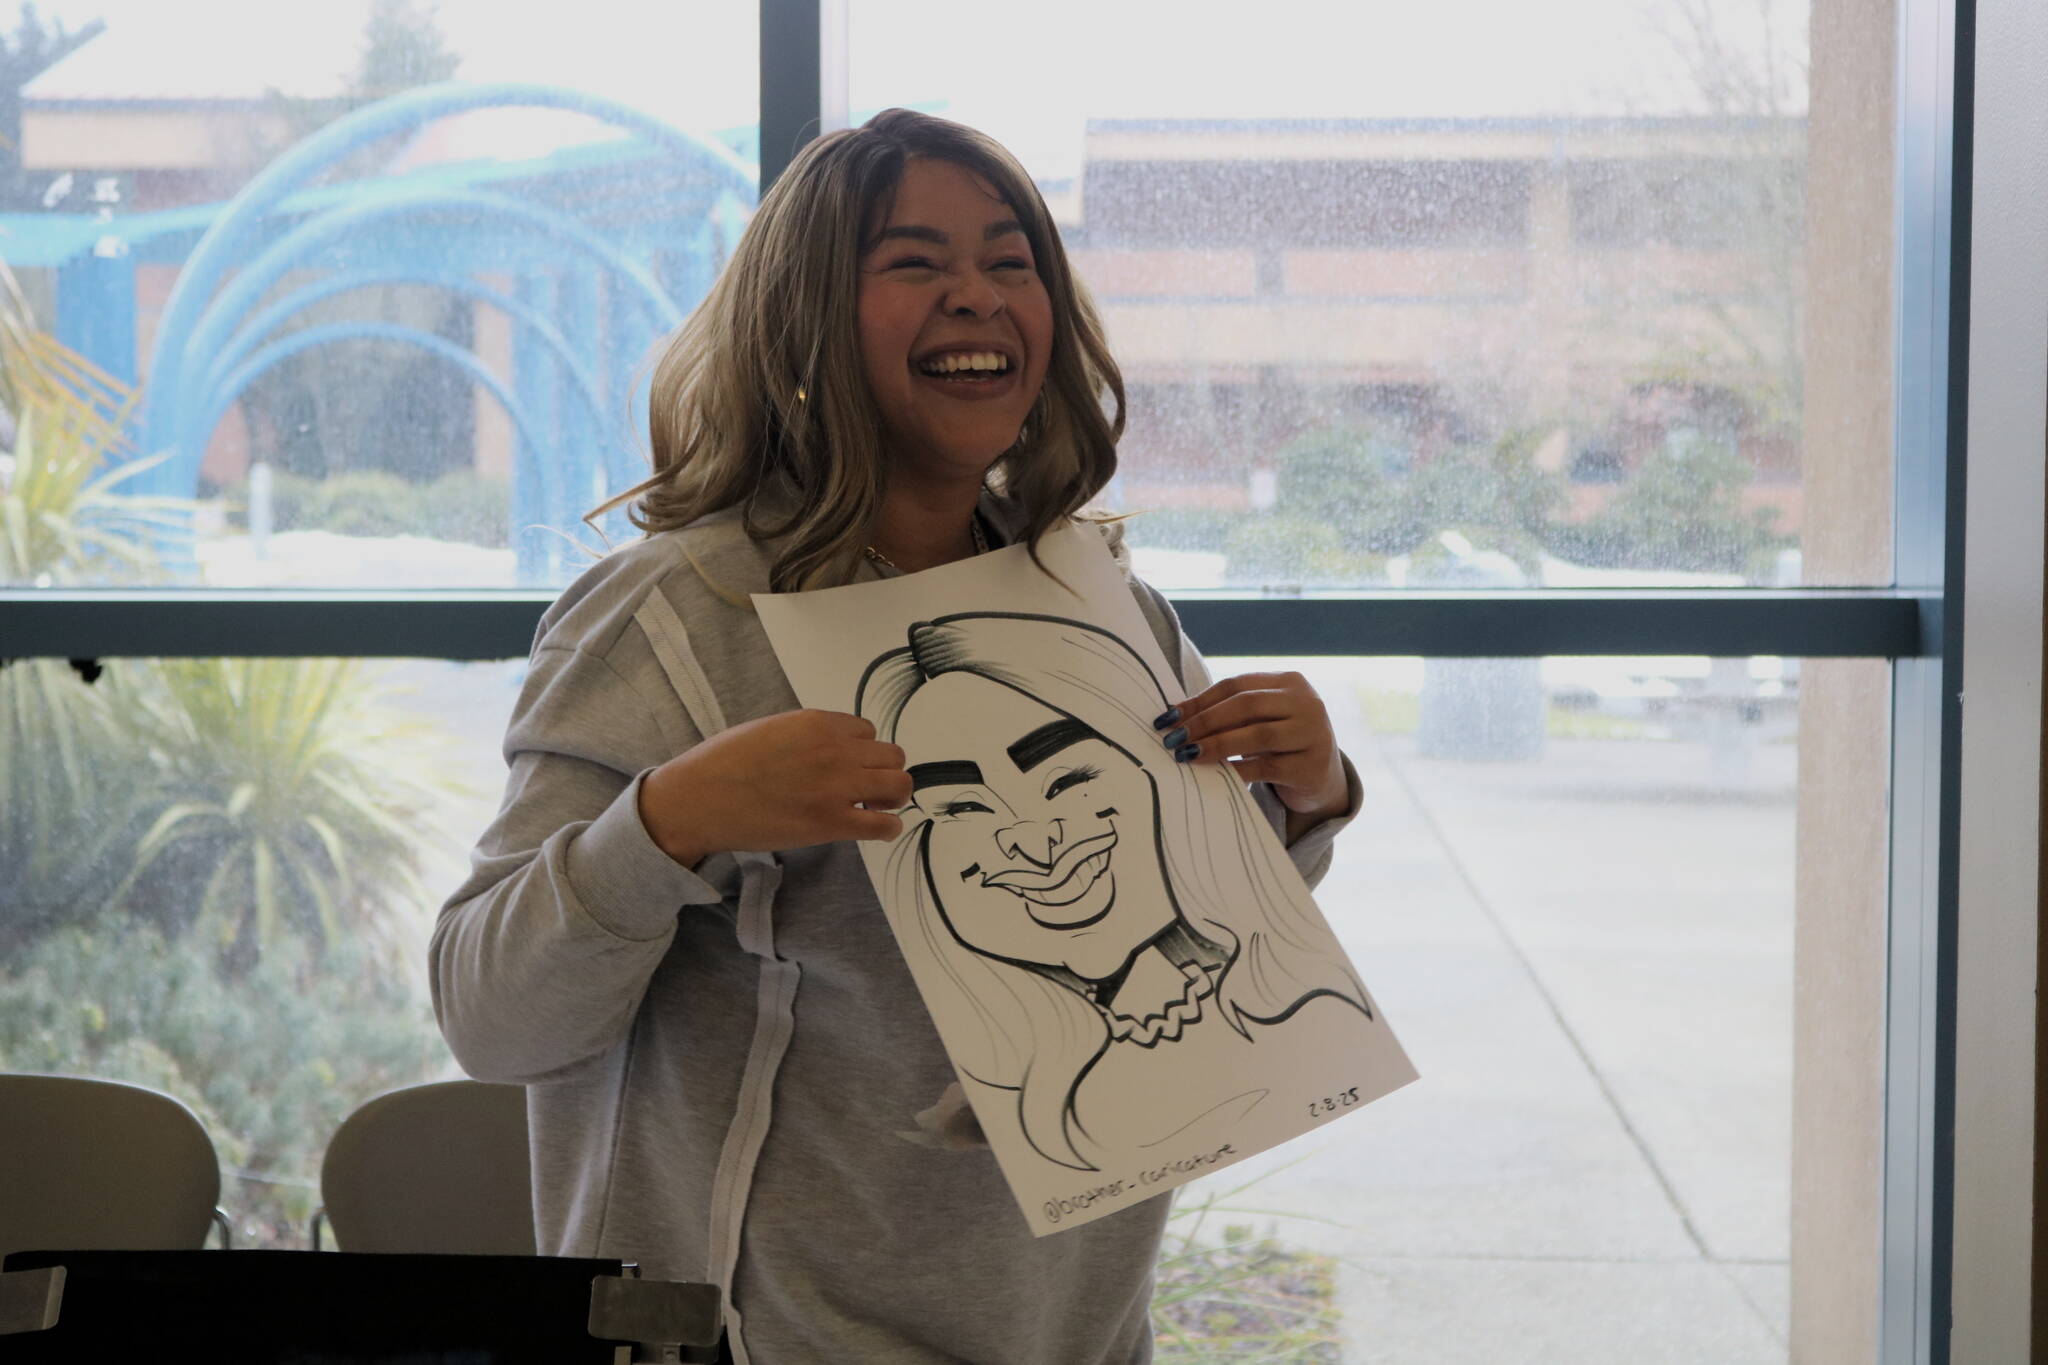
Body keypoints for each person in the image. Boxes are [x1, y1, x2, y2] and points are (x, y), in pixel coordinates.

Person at [430, 108, 1362, 1365]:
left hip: (1077, 1333)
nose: (975, 295)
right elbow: (492, 1020)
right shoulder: (668, 617)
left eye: (1010, 260)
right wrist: (667, 824)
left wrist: (1300, 802)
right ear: (804, 320)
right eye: (914, 262)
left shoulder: (1095, 602)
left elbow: (1198, 930)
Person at [857, 612, 1377, 1173]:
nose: (1035, 844)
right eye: (961, 807)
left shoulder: (1122, 605)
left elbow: (1228, 873)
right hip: (831, 1188)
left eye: (1068, 780)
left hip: (1125, 1206)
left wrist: (1310, 798)